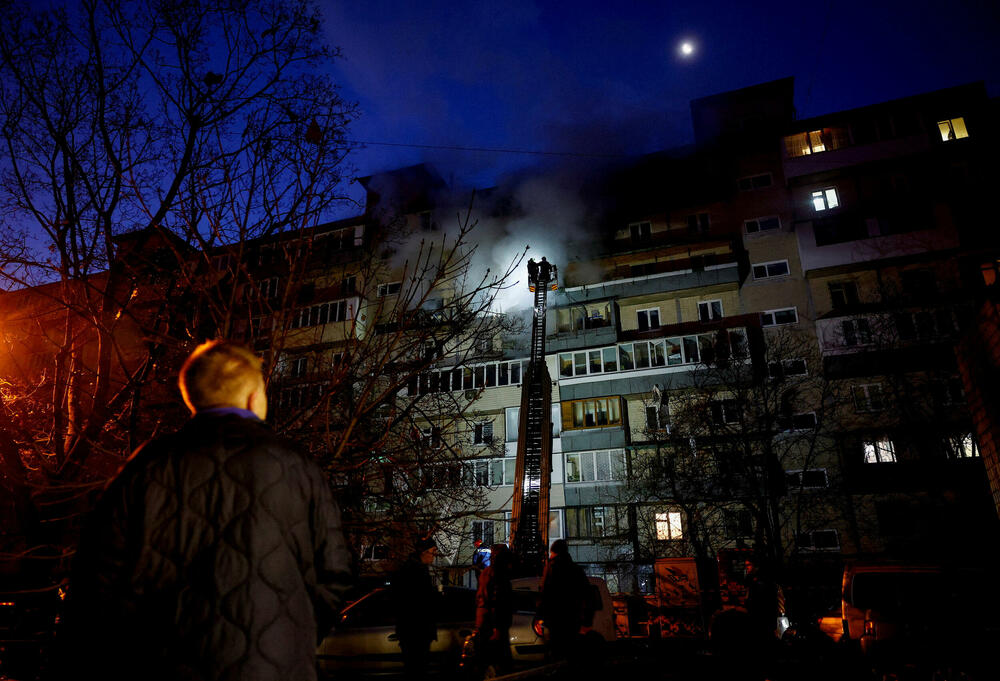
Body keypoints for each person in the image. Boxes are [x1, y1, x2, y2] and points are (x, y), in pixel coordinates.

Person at [62, 340, 353, 681]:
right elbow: (335, 574)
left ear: (193, 399)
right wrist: (291, 633)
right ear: (252, 398)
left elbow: (95, 583)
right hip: (276, 667)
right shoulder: (297, 466)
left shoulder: (146, 465)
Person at [391, 536, 439, 679]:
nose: (434, 555)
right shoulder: (414, 571)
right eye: (433, 551)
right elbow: (416, 604)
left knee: (415, 669)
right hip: (416, 633)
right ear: (423, 552)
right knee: (416, 669)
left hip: (415, 632)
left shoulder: (417, 569)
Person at [537, 539, 591, 662]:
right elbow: (587, 594)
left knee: (556, 656)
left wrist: (540, 615)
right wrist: (586, 620)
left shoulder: (551, 568)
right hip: (573, 619)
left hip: (555, 619)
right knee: (571, 655)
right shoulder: (576, 570)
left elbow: (544, 592)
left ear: (554, 552)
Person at [475, 544, 514, 675]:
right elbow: (496, 601)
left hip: (486, 623)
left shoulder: (487, 573)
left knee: (487, 662)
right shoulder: (498, 574)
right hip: (493, 626)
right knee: (499, 664)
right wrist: (496, 627)